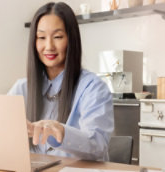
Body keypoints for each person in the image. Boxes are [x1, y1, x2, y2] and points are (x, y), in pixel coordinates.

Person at [8, 2, 114, 161]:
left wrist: (61, 132)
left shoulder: (93, 88)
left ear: (71, 40)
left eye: (57, 37)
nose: (49, 46)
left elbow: (98, 147)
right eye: (41, 37)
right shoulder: (22, 88)